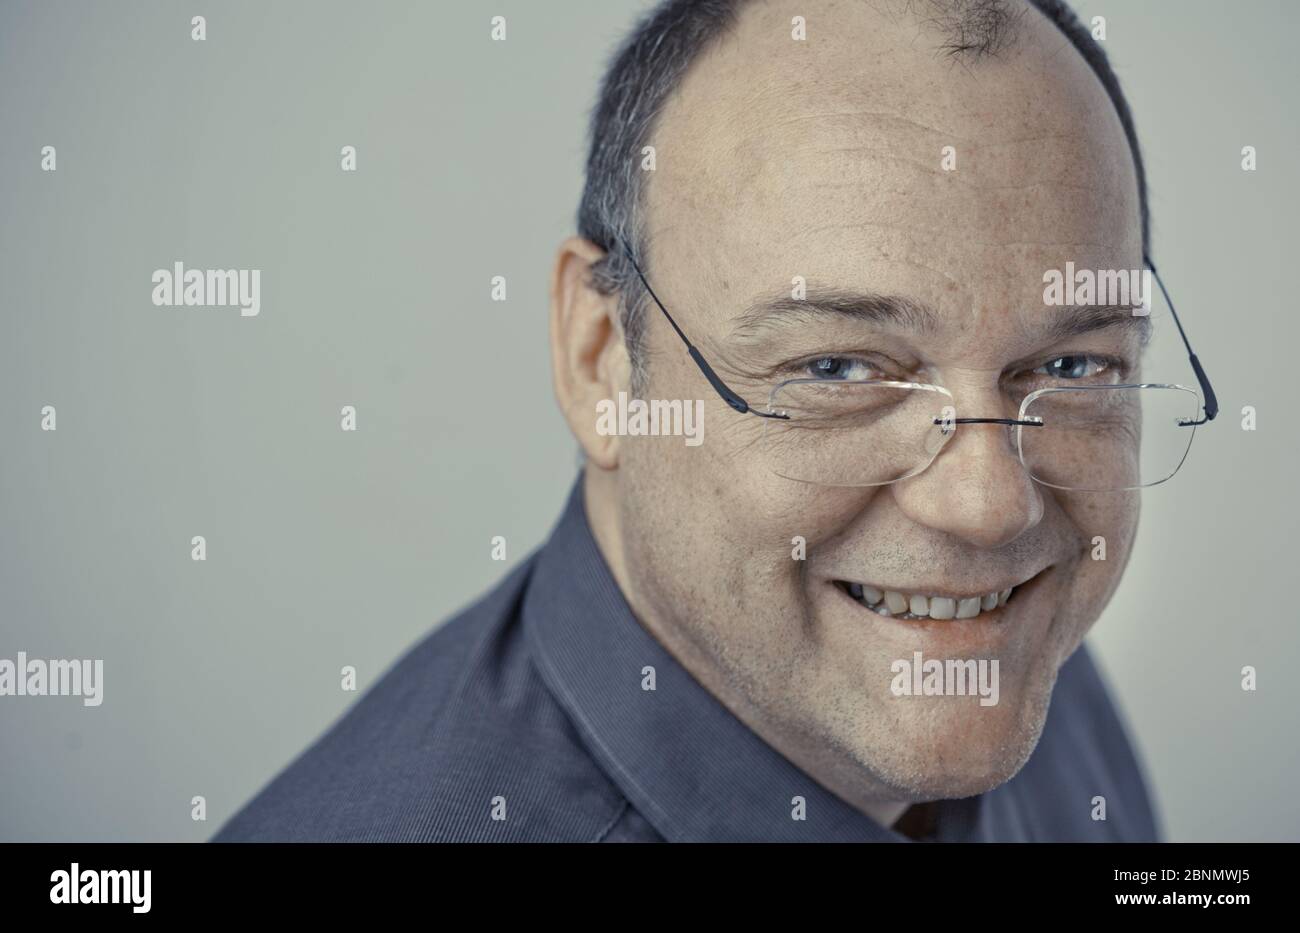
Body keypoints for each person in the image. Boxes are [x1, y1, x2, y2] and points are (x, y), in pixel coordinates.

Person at [215, 0, 1217, 842]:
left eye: (1074, 365)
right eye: (836, 366)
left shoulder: (992, 633)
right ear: (600, 360)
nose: (990, 508)